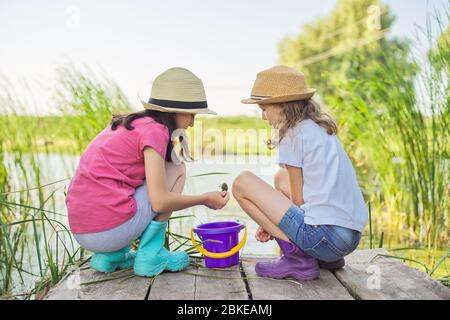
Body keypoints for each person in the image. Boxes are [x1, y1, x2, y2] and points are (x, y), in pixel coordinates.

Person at [66, 67, 229, 277]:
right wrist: (204, 198)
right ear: (174, 111)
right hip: (109, 231)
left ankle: (112, 255)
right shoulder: (155, 131)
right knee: (177, 167)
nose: (192, 122)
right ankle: (149, 256)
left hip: (82, 231)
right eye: (191, 114)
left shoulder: (130, 124)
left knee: (139, 182)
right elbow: (160, 201)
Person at [232, 65, 368, 281]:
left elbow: (297, 199)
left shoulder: (292, 134)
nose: (263, 117)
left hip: (324, 238)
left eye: (264, 108)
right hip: (349, 239)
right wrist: (276, 217)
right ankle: (325, 259)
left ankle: (297, 260)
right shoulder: (319, 128)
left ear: (283, 105)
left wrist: (272, 222)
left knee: (241, 183)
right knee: (280, 178)